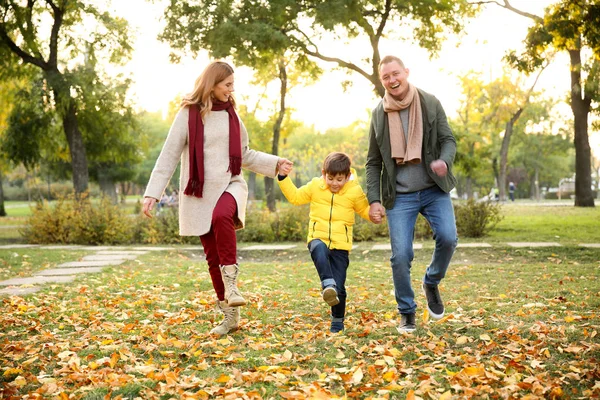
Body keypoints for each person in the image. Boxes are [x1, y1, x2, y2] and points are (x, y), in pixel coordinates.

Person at [142, 61, 293, 336]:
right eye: (227, 85)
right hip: (199, 192)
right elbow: (169, 155)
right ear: (212, 84)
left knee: (222, 216)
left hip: (230, 184)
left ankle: (233, 285)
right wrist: (153, 193)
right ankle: (229, 316)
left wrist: (275, 163)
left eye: (232, 84)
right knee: (212, 258)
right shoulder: (188, 114)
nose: (231, 90)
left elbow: (245, 154)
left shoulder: (231, 113)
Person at [366, 55, 458, 333]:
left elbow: (448, 140)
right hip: (400, 196)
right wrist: (374, 200)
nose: (392, 80)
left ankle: (431, 281)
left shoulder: (429, 102)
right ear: (382, 80)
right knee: (401, 255)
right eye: (386, 77)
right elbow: (373, 162)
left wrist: (444, 160)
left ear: (406, 72)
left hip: (433, 189)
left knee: (448, 238)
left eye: (396, 74)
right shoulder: (379, 114)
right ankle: (407, 311)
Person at [277, 152, 372, 333]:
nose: (335, 183)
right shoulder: (315, 186)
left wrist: (375, 213)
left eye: (339, 179)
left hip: (340, 245)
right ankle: (327, 284)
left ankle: (337, 320)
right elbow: (296, 197)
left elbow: (365, 210)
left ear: (348, 175)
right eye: (330, 178)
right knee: (319, 248)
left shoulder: (354, 191)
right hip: (317, 237)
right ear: (323, 173)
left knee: (340, 287)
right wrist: (283, 177)